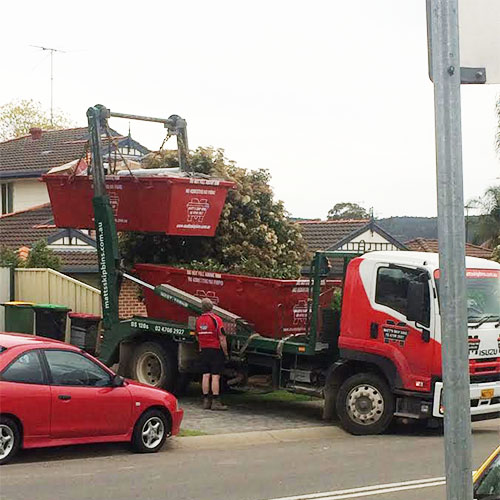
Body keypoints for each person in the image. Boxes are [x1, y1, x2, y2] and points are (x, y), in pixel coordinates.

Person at [195, 298, 229, 410]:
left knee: (205, 375)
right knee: (215, 376)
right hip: (215, 349)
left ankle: (205, 401)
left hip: (203, 349)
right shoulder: (216, 319)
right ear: (212, 307)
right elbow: (222, 337)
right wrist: (225, 352)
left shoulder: (198, 320)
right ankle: (215, 401)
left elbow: (197, 336)